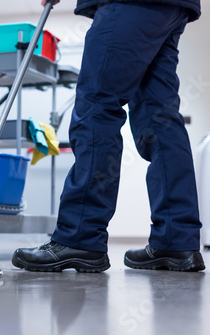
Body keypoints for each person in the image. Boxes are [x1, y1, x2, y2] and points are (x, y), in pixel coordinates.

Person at [12, 0, 205, 272]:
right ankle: (176, 242)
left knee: (97, 105)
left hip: (126, 4)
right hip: (174, 6)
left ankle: (80, 237)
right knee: (159, 118)